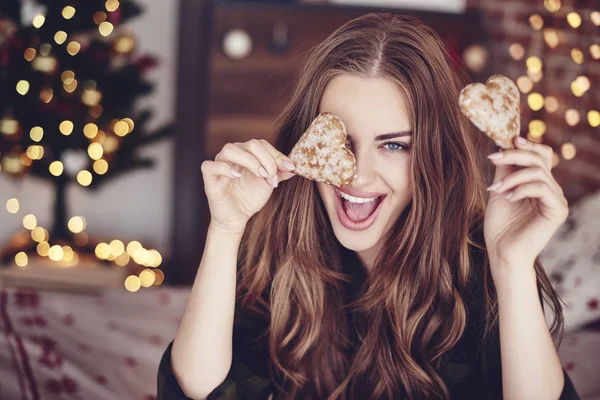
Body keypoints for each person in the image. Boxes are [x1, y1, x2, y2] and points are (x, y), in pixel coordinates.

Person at [158, 13, 580, 400]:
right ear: (308, 144)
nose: (357, 175)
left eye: (394, 145)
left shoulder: (480, 270)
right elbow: (198, 393)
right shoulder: (286, 242)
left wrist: (512, 264)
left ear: (434, 156)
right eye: (340, 140)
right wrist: (226, 229)